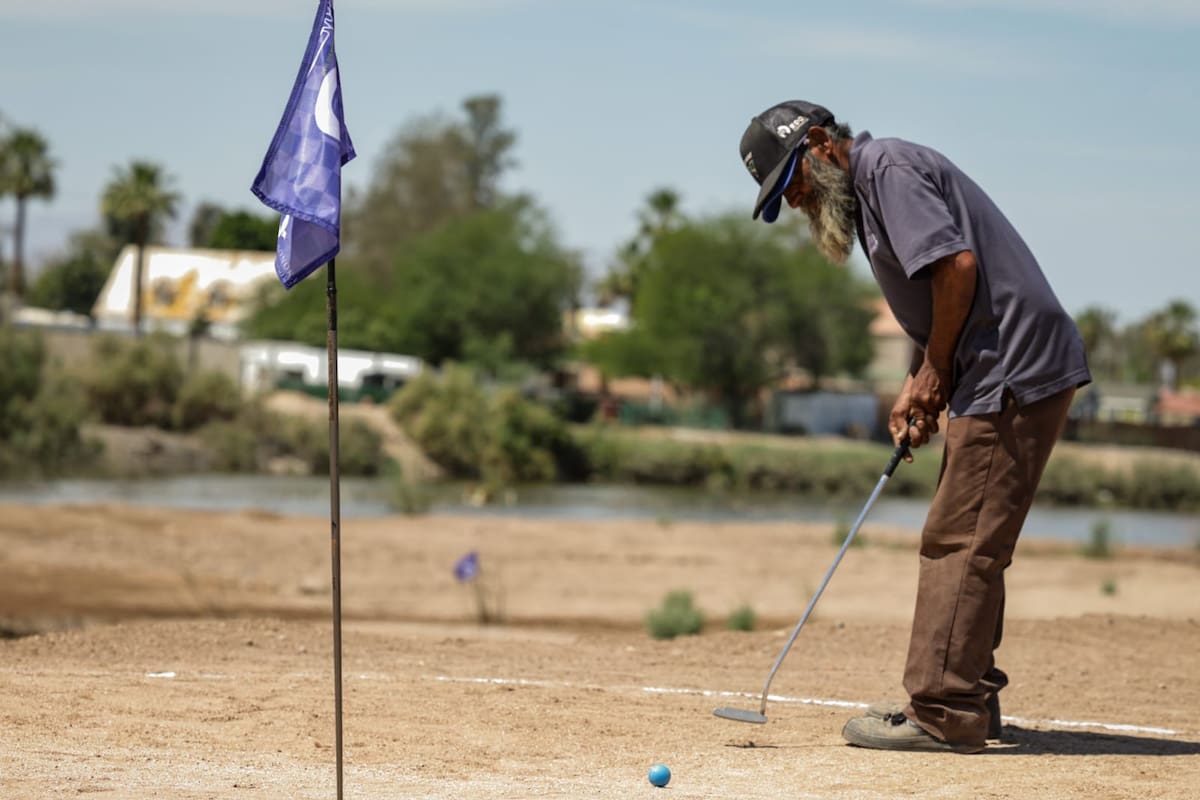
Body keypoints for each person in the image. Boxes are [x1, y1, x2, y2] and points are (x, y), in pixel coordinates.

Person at [738, 100, 1091, 753]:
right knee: (973, 537)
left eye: (792, 181)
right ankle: (968, 697)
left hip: (1008, 366)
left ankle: (943, 710)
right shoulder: (873, 193)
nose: (793, 201)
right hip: (994, 367)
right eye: (780, 195)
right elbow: (935, 298)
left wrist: (936, 374)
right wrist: (917, 383)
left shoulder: (886, 169)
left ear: (820, 143)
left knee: (957, 540)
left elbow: (957, 268)